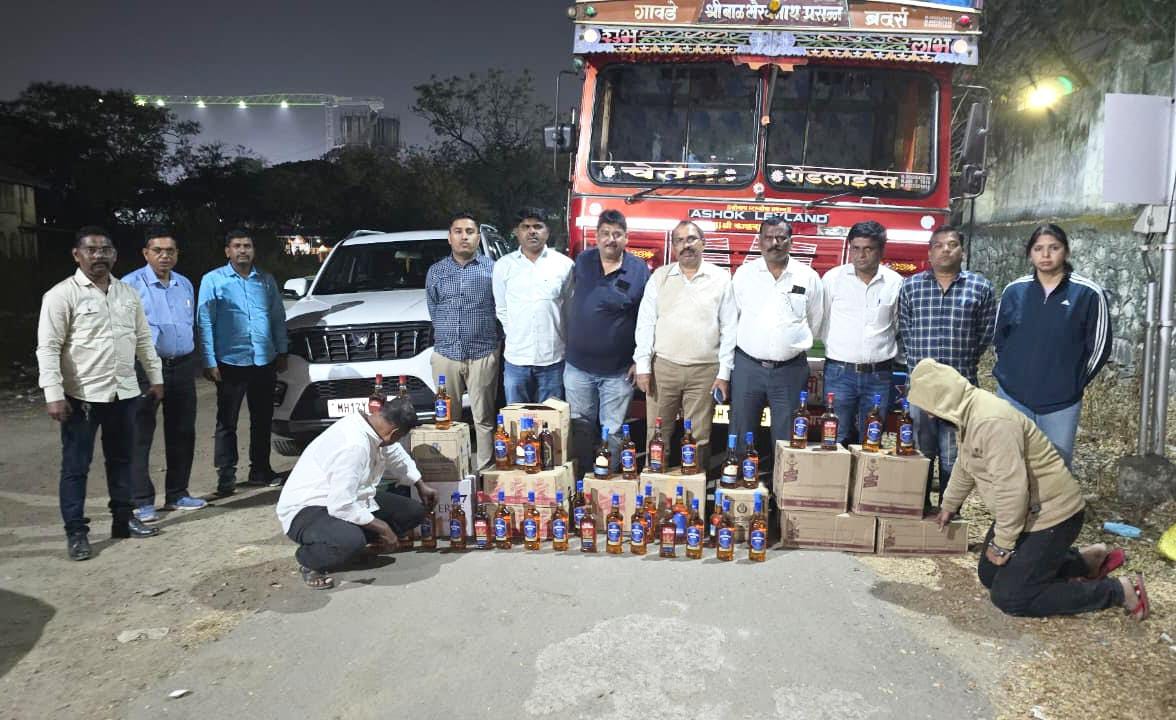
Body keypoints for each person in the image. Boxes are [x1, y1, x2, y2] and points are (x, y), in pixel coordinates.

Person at [910, 359, 1147, 621]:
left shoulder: (991, 422)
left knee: (1011, 597)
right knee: (990, 575)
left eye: (930, 407)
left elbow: (1013, 490)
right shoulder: (968, 414)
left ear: (943, 399)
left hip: (1053, 516)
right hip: (1028, 513)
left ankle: (1118, 591)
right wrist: (949, 506)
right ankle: (1085, 562)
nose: (930, 415)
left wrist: (1003, 544)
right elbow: (967, 465)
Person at [36, 226, 164, 560]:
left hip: (123, 393)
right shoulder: (61, 295)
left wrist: (155, 377)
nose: (99, 256)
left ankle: (124, 520)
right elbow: (48, 348)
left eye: (105, 250)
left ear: (115, 255)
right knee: (76, 467)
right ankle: (76, 533)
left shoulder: (126, 293)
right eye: (91, 250)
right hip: (81, 396)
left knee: (122, 460)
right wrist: (53, 393)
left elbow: (142, 340)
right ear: (77, 255)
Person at [276, 396, 437, 589]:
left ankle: (354, 542)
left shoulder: (372, 426)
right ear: (394, 432)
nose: (395, 442)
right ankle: (310, 560)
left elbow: (394, 453)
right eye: (398, 437)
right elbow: (341, 505)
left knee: (413, 511)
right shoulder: (354, 446)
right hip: (308, 508)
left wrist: (419, 484)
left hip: (348, 498)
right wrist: (382, 528)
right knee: (350, 541)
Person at [993, 223, 1111, 468]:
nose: (1045, 255)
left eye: (1053, 248)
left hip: (1061, 402)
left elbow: (1099, 347)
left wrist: (1072, 382)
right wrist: (1011, 375)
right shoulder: (1015, 290)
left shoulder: (1087, 293)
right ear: (1030, 254)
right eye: (1038, 249)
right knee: (1011, 464)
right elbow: (999, 339)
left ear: (1066, 252)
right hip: (1013, 396)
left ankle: (1052, 509)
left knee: (1054, 469)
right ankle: (1017, 508)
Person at [898, 225, 997, 509]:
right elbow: (907, 334)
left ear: (962, 251)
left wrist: (957, 376)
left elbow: (984, 335)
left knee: (955, 457)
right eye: (939, 245)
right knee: (920, 454)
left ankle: (947, 514)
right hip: (921, 391)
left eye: (952, 244)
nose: (945, 249)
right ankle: (918, 510)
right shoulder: (911, 287)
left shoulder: (980, 288)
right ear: (929, 252)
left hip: (962, 391)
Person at [633, 221, 735, 467]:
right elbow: (645, 323)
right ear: (674, 247)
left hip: (704, 371)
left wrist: (724, 373)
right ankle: (654, 487)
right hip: (663, 369)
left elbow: (730, 327)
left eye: (691, 239)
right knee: (657, 435)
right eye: (679, 240)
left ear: (703, 243)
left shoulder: (721, 278)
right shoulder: (660, 277)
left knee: (698, 438)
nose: (686, 245)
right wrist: (643, 365)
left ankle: (693, 488)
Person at [122, 227, 207, 522]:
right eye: (158, 250)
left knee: (182, 431)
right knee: (140, 433)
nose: (164, 256)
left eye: (170, 250)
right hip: (145, 369)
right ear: (146, 253)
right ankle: (141, 500)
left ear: (177, 254)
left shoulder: (184, 284)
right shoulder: (129, 285)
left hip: (182, 366)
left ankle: (177, 493)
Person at [197, 229, 288, 495]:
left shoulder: (266, 281)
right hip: (230, 361)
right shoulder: (213, 280)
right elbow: (204, 321)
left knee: (262, 418)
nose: (243, 251)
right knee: (227, 421)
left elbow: (276, 318)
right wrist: (209, 360)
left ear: (253, 250)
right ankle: (226, 475)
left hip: (264, 359)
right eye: (237, 246)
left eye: (247, 246)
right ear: (227, 251)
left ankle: (260, 469)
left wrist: (281, 350)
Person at [564, 209, 650, 475]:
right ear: (596, 237)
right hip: (578, 367)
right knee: (580, 427)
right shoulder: (582, 261)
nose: (611, 239)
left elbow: (646, 318)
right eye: (605, 234)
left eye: (617, 234)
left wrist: (640, 359)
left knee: (612, 432)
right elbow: (568, 302)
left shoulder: (638, 270)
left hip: (618, 371)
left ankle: (606, 482)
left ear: (626, 238)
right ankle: (581, 483)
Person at [730, 217, 823, 461]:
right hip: (748, 367)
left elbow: (815, 321)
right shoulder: (744, 274)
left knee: (788, 439)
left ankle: (782, 491)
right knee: (741, 433)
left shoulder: (807, 277)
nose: (775, 243)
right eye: (769, 238)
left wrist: (789, 344)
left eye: (781, 238)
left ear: (791, 242)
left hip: (790, 370)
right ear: (759, 242)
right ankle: (741, 487)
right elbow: (731, 320)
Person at [426, 212, 500, 469]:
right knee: (448, 419)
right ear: (449, 238)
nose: (464, 236)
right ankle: (454, 471)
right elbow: (434, 309)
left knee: (484, 418)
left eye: (470, 231)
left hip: (483, 353)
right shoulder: (436, 272)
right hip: (446, 354)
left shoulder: (493, 270)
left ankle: (485, 473)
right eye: (458, 231)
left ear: (478, 237)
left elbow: (500, 310)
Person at [819, 220, 902, 444]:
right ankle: (833, 480)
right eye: (855, 248)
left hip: (879, 376)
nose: (860, 255)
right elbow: (822, 320)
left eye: (868, 249)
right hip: (839, 373)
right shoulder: (832, 279)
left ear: (881, 250)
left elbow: (897, 325)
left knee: (871, 440)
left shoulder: (895, 283)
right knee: (835, 437)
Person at [492, 207, 574, 403]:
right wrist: (515, 334)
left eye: (538, 226)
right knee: (517, 423)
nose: (532, 232)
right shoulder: (503, 266)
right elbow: (501, 308)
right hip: (516, 361)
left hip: (553, 360)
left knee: (551, 423)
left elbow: (570, 308)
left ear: (547, 231)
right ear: (517, 232)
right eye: (525, 227)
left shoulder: (564, 265)